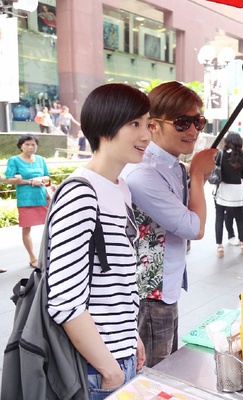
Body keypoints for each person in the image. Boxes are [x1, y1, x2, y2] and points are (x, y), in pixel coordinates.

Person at [46, 83, 151, 398]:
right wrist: (108, 368)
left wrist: (131, 336)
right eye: (135, 124)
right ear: (105, 126)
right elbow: (64, 300)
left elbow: (114, 280)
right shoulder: (80, 193)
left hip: (121, 354)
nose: (146, 135)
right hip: (95, 367)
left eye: (148, 124)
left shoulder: (120, 187)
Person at [122, 81, 217, 368]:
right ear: (153, 126)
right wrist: (198, 176)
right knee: (154, 373)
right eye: (182, 122)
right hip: (149, 294)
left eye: (197, 121)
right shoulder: (144, 174)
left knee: (168, 367)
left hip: (166, 287)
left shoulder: (171, 164)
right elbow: (194, 228)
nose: (192, 131)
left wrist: (193, 175)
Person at [4, 134, 50, 268]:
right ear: (21, 146)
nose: (30, 147)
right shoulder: (14, 160)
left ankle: (49, 254)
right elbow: (9, 179)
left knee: (48, 227)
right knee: (26, 228)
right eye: (27, 144)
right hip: (26, 198)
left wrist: (41, 179)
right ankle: (32, 257)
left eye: (33, 144)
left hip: (42, 197)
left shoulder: (41, 159)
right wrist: (29, 181)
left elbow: (47, 176)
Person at [214, 132, 243, 258]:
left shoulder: (221, 155)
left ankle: (219, 247)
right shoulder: (242, 157)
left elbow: (216, 171)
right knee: (240, 218)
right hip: (238, 192)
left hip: (223, 190)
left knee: (219, 218)